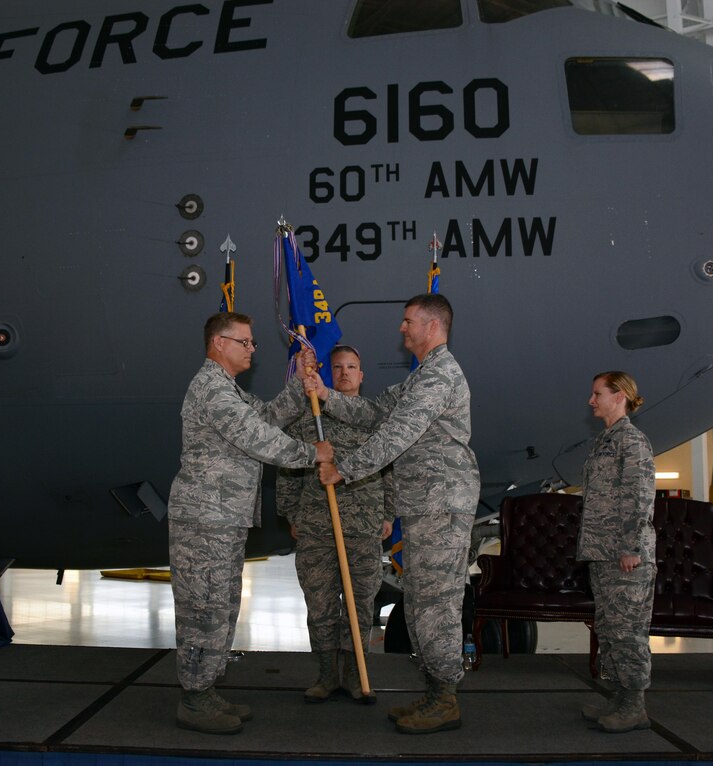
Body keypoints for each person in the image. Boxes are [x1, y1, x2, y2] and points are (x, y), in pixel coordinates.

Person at [313, 293, 479, 735]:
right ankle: (434, 693)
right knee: (422, 602)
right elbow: (374, 412)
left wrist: (342, 470)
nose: (401, 329)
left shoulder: (439, 374)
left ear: (433, 326)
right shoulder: (421, 376)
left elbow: (396, 435)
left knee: (437, 605)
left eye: (408, 322)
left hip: (441, 505)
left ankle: (445, 699)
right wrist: (326, 396)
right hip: (425, 505)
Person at [167, 311, 333, 735]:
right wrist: (313, 454)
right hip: (205, 520)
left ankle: (206, 687)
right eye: (246, 342)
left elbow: (267, 417)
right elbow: (259, 438)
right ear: (219, 343)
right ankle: (194, 697)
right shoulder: (211, 390)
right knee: (203, 608)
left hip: (225, 518)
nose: (253, 349)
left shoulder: (231, 391)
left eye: (253, 342)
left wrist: (300, 386)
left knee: (222, 607)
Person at [277, 345, 393, 704]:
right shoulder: (311, 417)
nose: (344, 373)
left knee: (359, 604)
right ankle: (327, 675)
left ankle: (357, 675)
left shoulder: (376, 420)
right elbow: (289, 468)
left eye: (352, 367)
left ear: (362, 375)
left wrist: (390, 514)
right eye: (338, 367)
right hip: (316, 524)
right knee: (321, 604)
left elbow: (391, 468)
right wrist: (291, 513)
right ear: (329, 374)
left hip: (362, 525)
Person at [576, 371, 656, 733]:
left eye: (597, 394)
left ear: (619, 395)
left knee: (627, 631)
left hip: (625, 556)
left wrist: (630, 547)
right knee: (609, 629)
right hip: (602, 553)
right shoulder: (606, 440)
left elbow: (639, 497)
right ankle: (620, 698)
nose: (591, 400)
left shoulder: (632, 442)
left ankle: (634, 705)